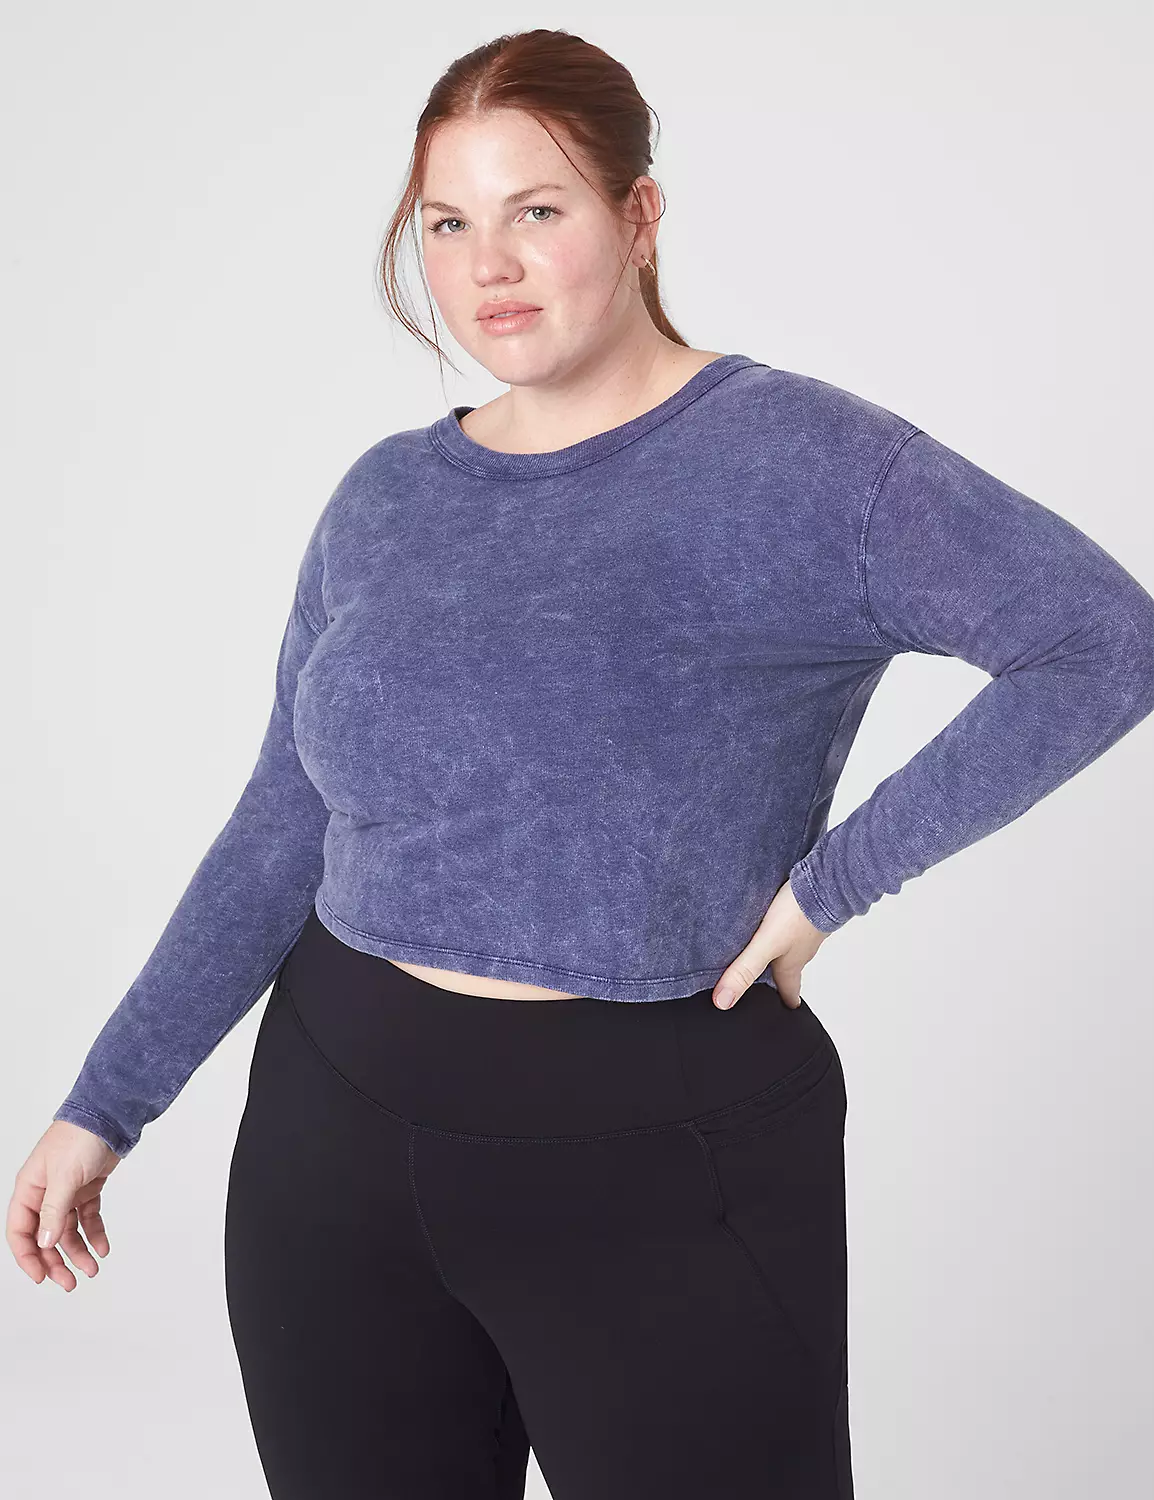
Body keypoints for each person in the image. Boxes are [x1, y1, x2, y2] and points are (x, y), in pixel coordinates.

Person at [9, 25, 1154, 1500]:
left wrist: (830, 888)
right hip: (332, 1135)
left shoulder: (808, 463)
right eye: (447, 223)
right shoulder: (385, 497)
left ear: (638, 215)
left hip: (658, 1155)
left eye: (535, 209)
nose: (488, 265)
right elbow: (284, 822)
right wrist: (106, 1100)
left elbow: (1100, 643)